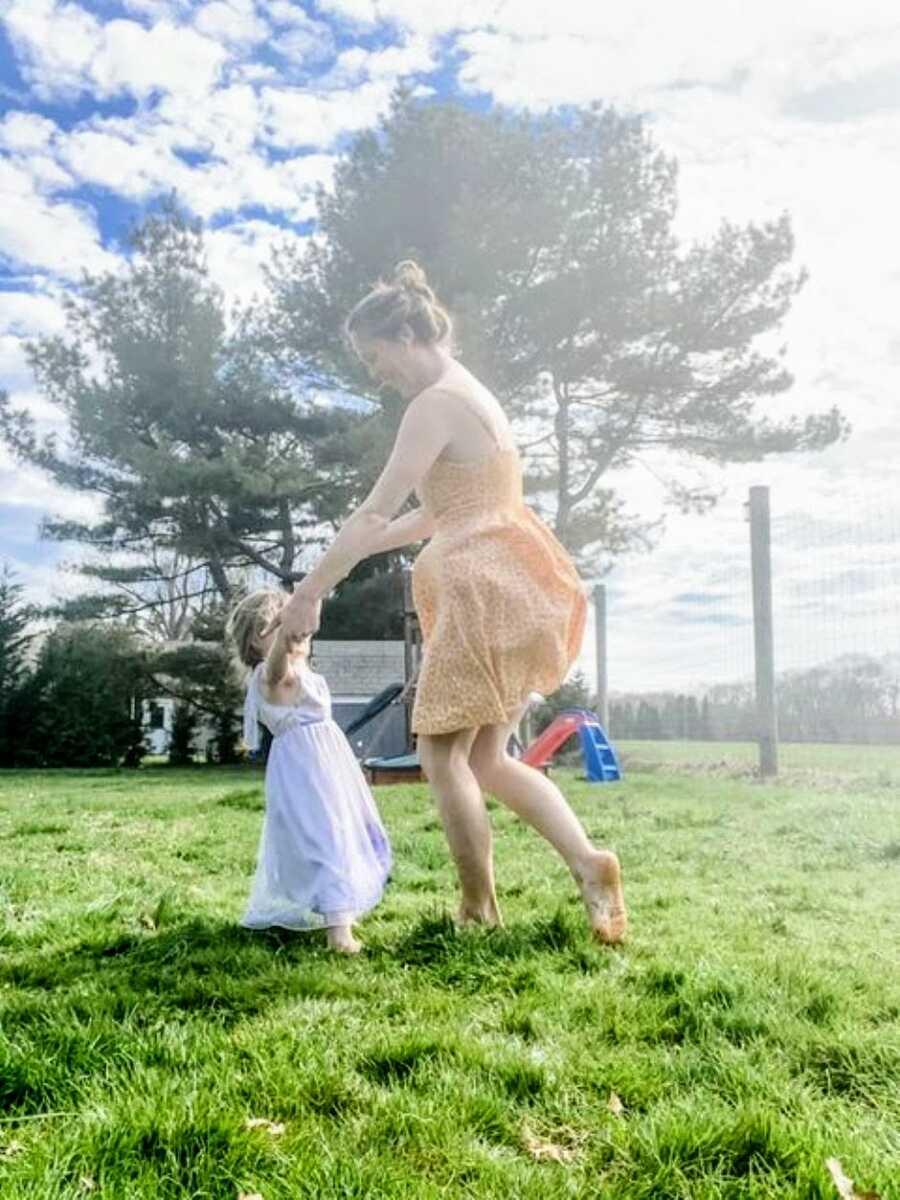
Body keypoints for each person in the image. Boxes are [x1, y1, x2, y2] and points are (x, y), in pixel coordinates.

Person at [265, 261, 626, 944]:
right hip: (516, 577)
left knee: (441, 757)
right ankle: (587, 861)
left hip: (476, 585)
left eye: (376, 357)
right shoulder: (473, 395)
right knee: (489, 757)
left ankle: (477, 910)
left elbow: (377, 510)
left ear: (406, 333)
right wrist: (361, 549)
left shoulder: (431, 405)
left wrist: (312, 591)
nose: (377, 374)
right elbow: (439, 512)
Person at [227, 589, 391, 954]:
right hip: (304, 769)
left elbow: (304, 622)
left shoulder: (302, 670)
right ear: (258, 639)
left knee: (342, 832)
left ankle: (338, 909)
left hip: (328, 764)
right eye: (282, 626)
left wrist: (310, 595)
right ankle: (339, 934)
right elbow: (278, 662)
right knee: (324, 836)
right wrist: (287, 627)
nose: (297, 632)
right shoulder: (269, 676)